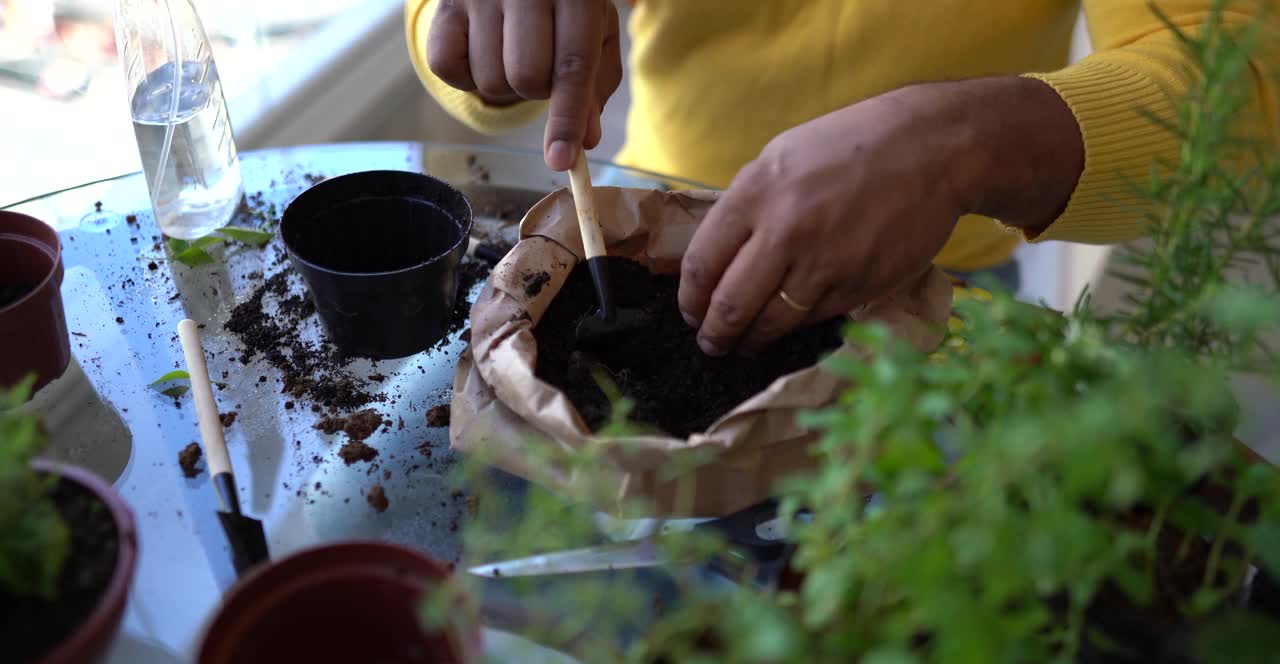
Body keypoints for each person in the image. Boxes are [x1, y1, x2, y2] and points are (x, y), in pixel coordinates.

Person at [406, 0, 1279, 357]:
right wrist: (476, 29)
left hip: (933, 284)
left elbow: (1238, 63)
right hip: (652, 224)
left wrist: (962, 141)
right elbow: (457, 29)